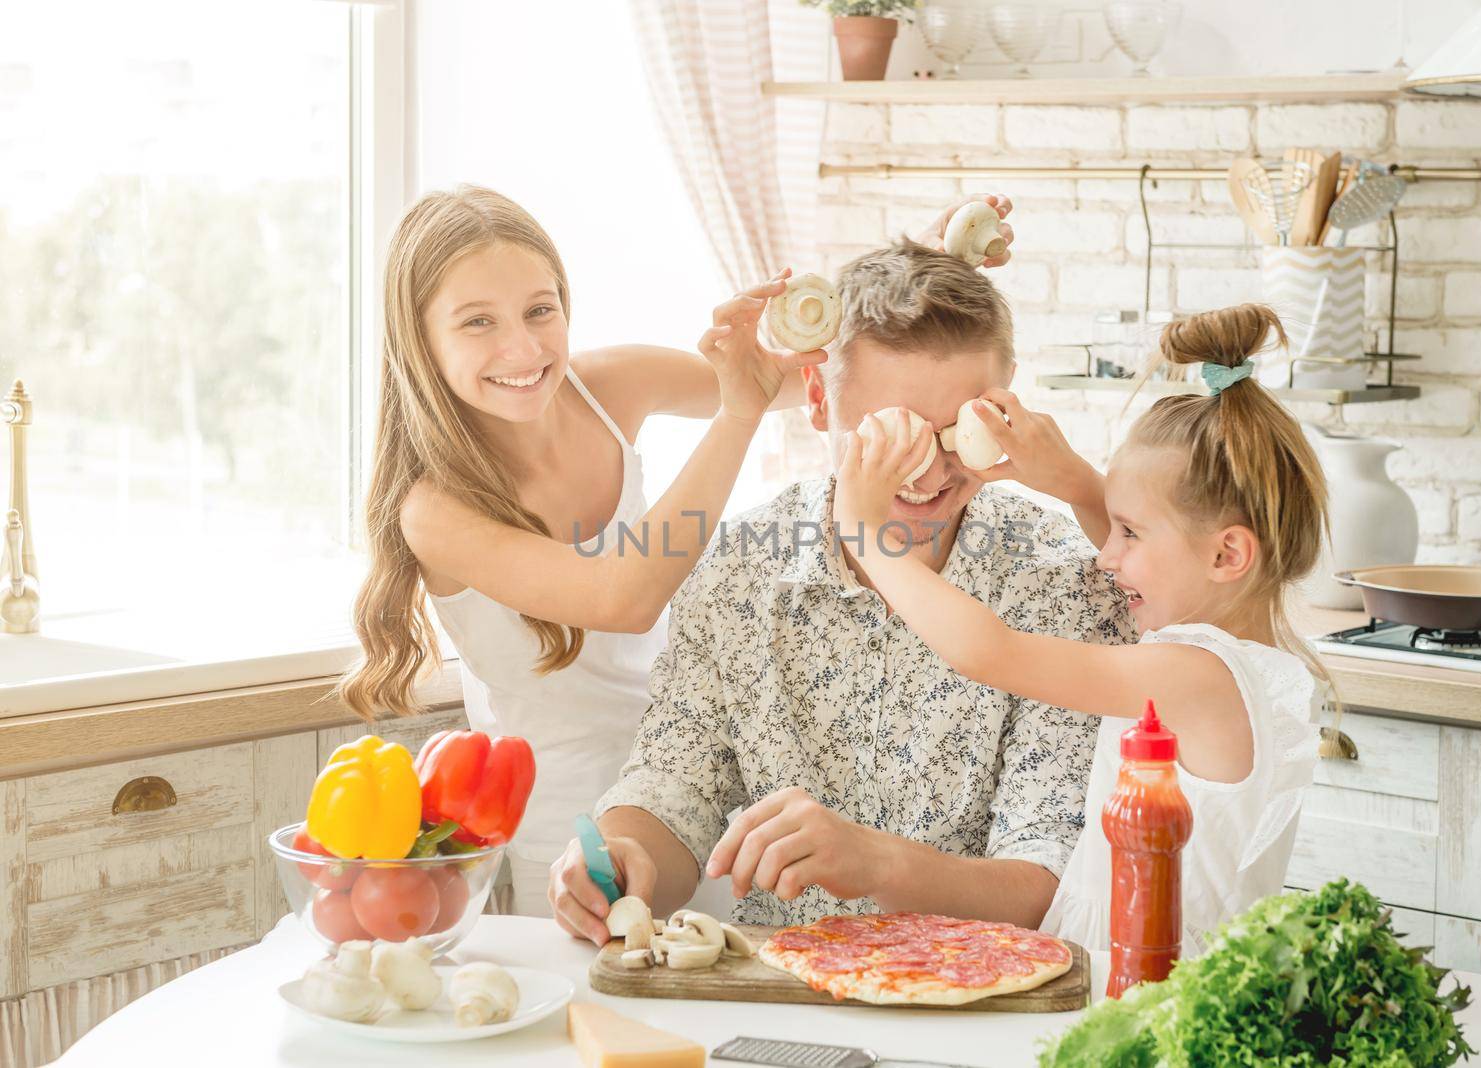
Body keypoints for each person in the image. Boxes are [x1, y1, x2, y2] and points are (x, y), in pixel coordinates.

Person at [340, 185, 1011, 915]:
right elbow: (624, 599)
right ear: (419, 340)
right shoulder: (434, 509)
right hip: (578, 825)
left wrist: (928, 269)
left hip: (700, 776)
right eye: (478, 323)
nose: (524, 349)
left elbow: (825, 377)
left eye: (541, 309)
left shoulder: (603, 387)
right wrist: (736, 414)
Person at [546, 239, 1132, 945]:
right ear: (819, 401)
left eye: (959, 432)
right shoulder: (738, 569)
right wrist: (625, 852)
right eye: (889, 434)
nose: (928, 471)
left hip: (986, 1004)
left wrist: (875, 861)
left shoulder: (1064, 584)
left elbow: (1050, 884)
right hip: (781, 994)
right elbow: (676, 784)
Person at [833, 302, 1328, 953]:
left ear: (1227, 555)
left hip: (1146, 980)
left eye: (1129, 532)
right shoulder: (1238, 654)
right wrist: (1068, 478)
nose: (1105, 554)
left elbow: (991, 652)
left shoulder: (1195, 673)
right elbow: (1164, 549)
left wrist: (869, 538)